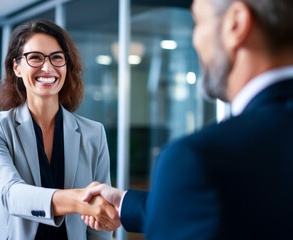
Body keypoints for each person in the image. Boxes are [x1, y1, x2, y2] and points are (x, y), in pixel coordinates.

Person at [82, 0, 293, 239]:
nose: (194, 40)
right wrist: (126, 203)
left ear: (236, 23)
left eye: (198, 21)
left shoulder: (195, 160)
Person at [0, 19, 120, 240]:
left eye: (57, 57)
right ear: (17, 67)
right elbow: (10, 194)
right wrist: (80, 201)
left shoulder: (94, 133)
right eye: (35, 57)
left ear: (66, 65)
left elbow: (98, 225)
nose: (48, 67)